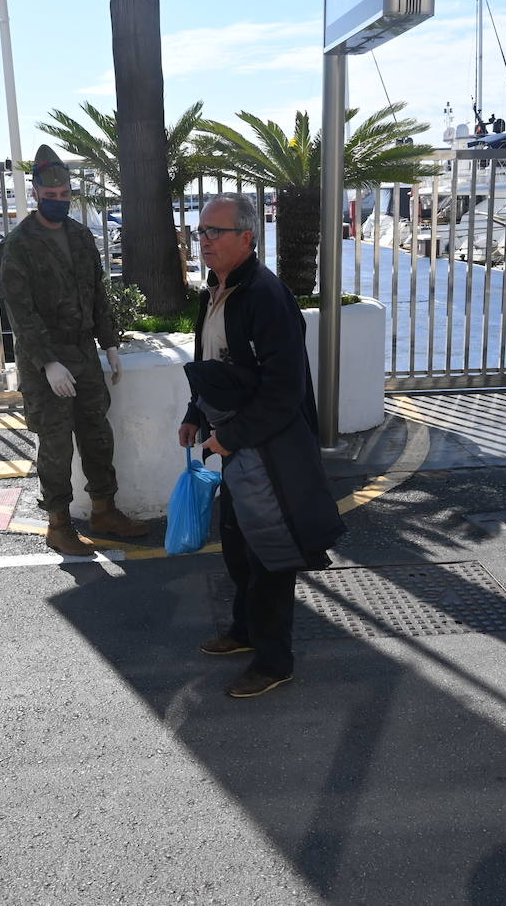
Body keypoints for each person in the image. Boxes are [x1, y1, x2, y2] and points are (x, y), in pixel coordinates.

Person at [178, 193, 345, 698]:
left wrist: (228, 437)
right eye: (201, 230)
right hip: (236, 444)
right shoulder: (215, 288)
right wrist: (194, 414)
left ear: (247, 238)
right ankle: (245, 630)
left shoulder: (267, 297)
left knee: (270, 553)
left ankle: (274, 662)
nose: (203, 240)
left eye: (215, 231)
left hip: (268, 448)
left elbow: (284, 391)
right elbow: (210, 361)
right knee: (236, 543)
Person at [0, 144, 149, 556]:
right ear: (36, 194)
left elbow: (97, 293)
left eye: (64, 195)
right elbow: (21, 313)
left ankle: (104, 510)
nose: (59, 201)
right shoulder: (18, 245)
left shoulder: (80, 236)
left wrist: (109, 343)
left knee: (97, 433)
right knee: (56, 442)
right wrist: (48, 363)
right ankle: (59, 524)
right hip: (45, 360)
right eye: (51, 196)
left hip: (83, 354)